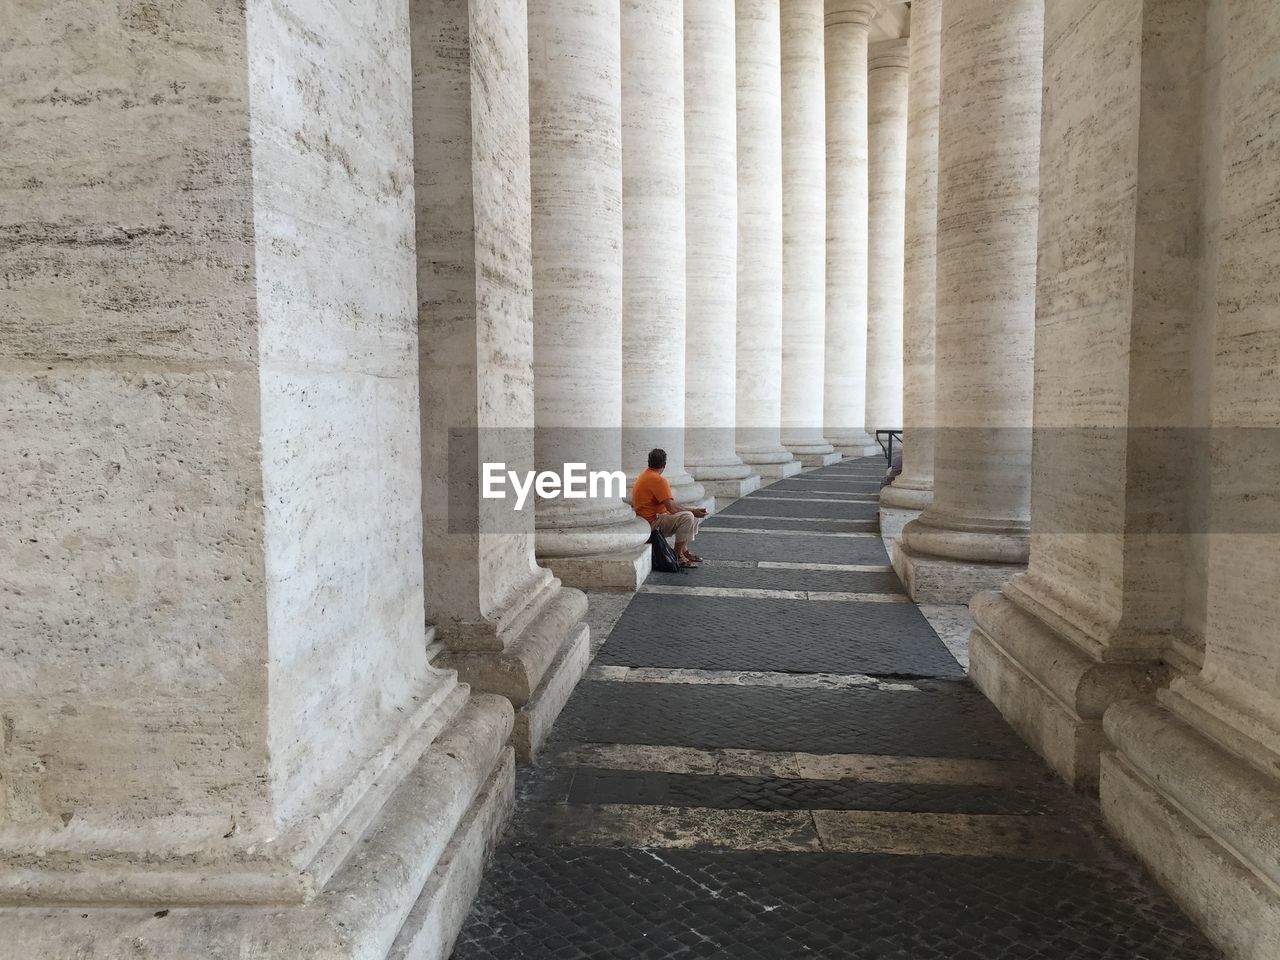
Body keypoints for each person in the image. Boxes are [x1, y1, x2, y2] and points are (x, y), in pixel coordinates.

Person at [631, 448, 708, 567]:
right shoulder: (658, 480)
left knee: (692, 513)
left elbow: (671, 507)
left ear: (649, 462)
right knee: (688, 516)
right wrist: (693, 511)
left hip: (651, 519)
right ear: (664, 465)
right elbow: (672, 509)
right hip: (652, 523)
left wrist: (693, 510)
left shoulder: (645, 475)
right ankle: (678, 556)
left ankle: (684, 551)